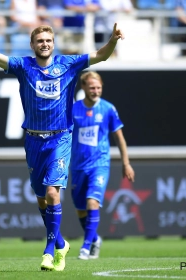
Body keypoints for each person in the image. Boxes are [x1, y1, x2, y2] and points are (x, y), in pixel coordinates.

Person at [0, 7, 124, 271]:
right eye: (40, 41)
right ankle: (61, 243)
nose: (45, 44)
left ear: (54, 44)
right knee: (42, 199)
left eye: (49, 41)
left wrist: (112, 40)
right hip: (33, 141)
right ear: (32, 44)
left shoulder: (68, 64)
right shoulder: (23, 66)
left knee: (53, 193)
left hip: (60, 139)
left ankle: (48, 250)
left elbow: (100, 55)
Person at [71, 71, 135, 260]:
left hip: (99, 164)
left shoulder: (108, 109)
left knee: (93, 202)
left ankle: (85, 246)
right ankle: (94, 239)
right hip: (77, 166)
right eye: (92, 87)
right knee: (81, 208)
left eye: (98, 87)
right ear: (83, 87)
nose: (96, 91)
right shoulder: (73, 109)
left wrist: (126, 163)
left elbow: (119, 138)